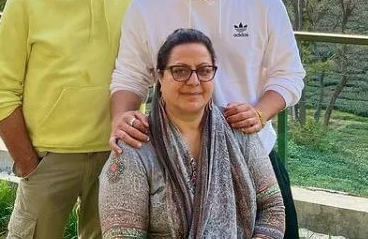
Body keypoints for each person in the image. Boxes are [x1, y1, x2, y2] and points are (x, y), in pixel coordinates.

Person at [0, 0, 268, 238]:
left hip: (120, 153)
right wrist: (28, 163)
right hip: (51, 158)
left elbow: (194, 2)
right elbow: (1, 91)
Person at [110, 0, 306, 239]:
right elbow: (128, 77)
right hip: (173, 167)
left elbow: (289, 74)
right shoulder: (146, 7)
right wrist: (121, 118)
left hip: (253, 155)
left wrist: (260, 112)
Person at [100, 28, 285, 238]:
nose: (194, 81)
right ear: (160, 76)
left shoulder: (238, 130)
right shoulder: (135, 146)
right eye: (180, 70)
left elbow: (272, 208)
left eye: (204, 70)